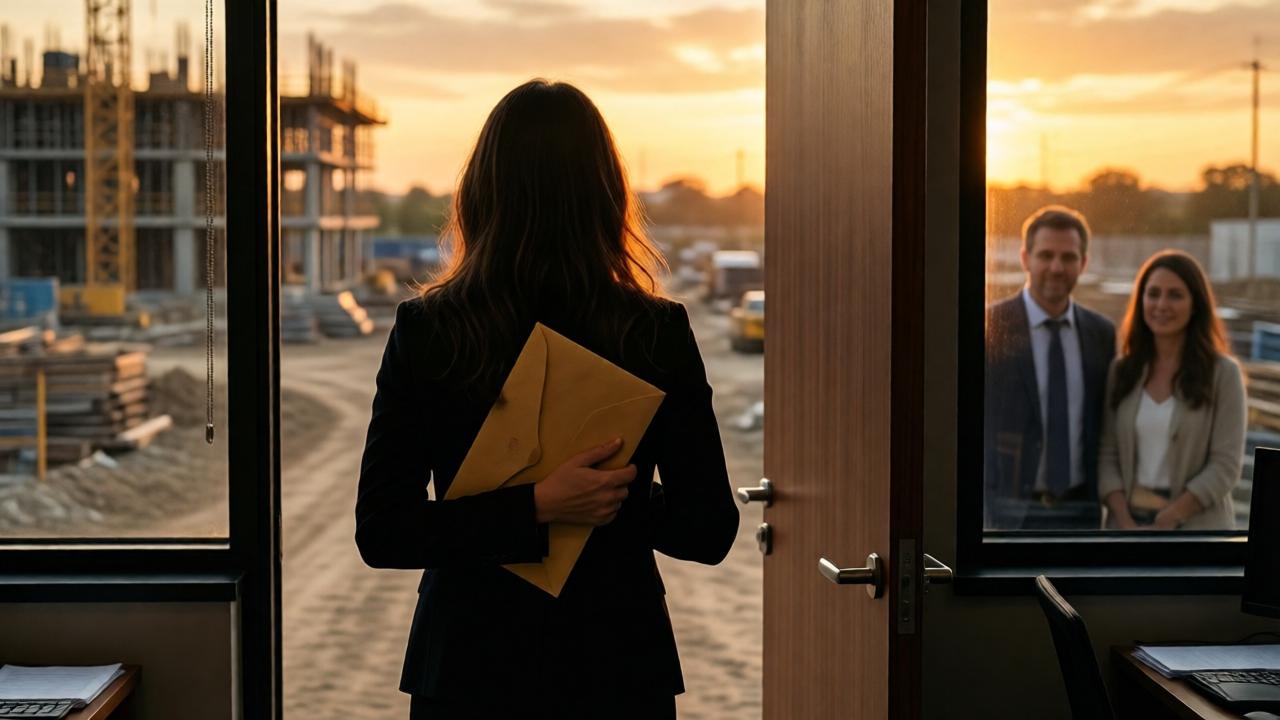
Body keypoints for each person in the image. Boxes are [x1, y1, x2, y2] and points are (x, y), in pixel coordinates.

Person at [354, 80, 739, 719]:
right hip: (617, 667)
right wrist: (582, 499)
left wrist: (527, 508)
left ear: (480, 192)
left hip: (468, 671)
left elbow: (384, 533)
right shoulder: (653, 331)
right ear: (607, 194)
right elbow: (708, 530)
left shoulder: (429, 330)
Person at [984, 206, 1116, 530]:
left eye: (1068, 257)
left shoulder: (1101, 333)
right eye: (1046, 255)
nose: (1057, 267)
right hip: (1009, 515)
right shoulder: (990, 328)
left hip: (1080, 515)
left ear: (1083, 263)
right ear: (1025, 258)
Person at [1097, 250, 1246, 531]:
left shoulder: (1224, 374)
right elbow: (1107, 454)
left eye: (1175, 295)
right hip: (1126, 529)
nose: (1161, 304)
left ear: (1195, 305)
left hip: (1197, 530)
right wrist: (1124, 521)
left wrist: (1172, 517)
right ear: (1140, 301)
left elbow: (1225, 465)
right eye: (1153, 294)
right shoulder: (1121, 371)